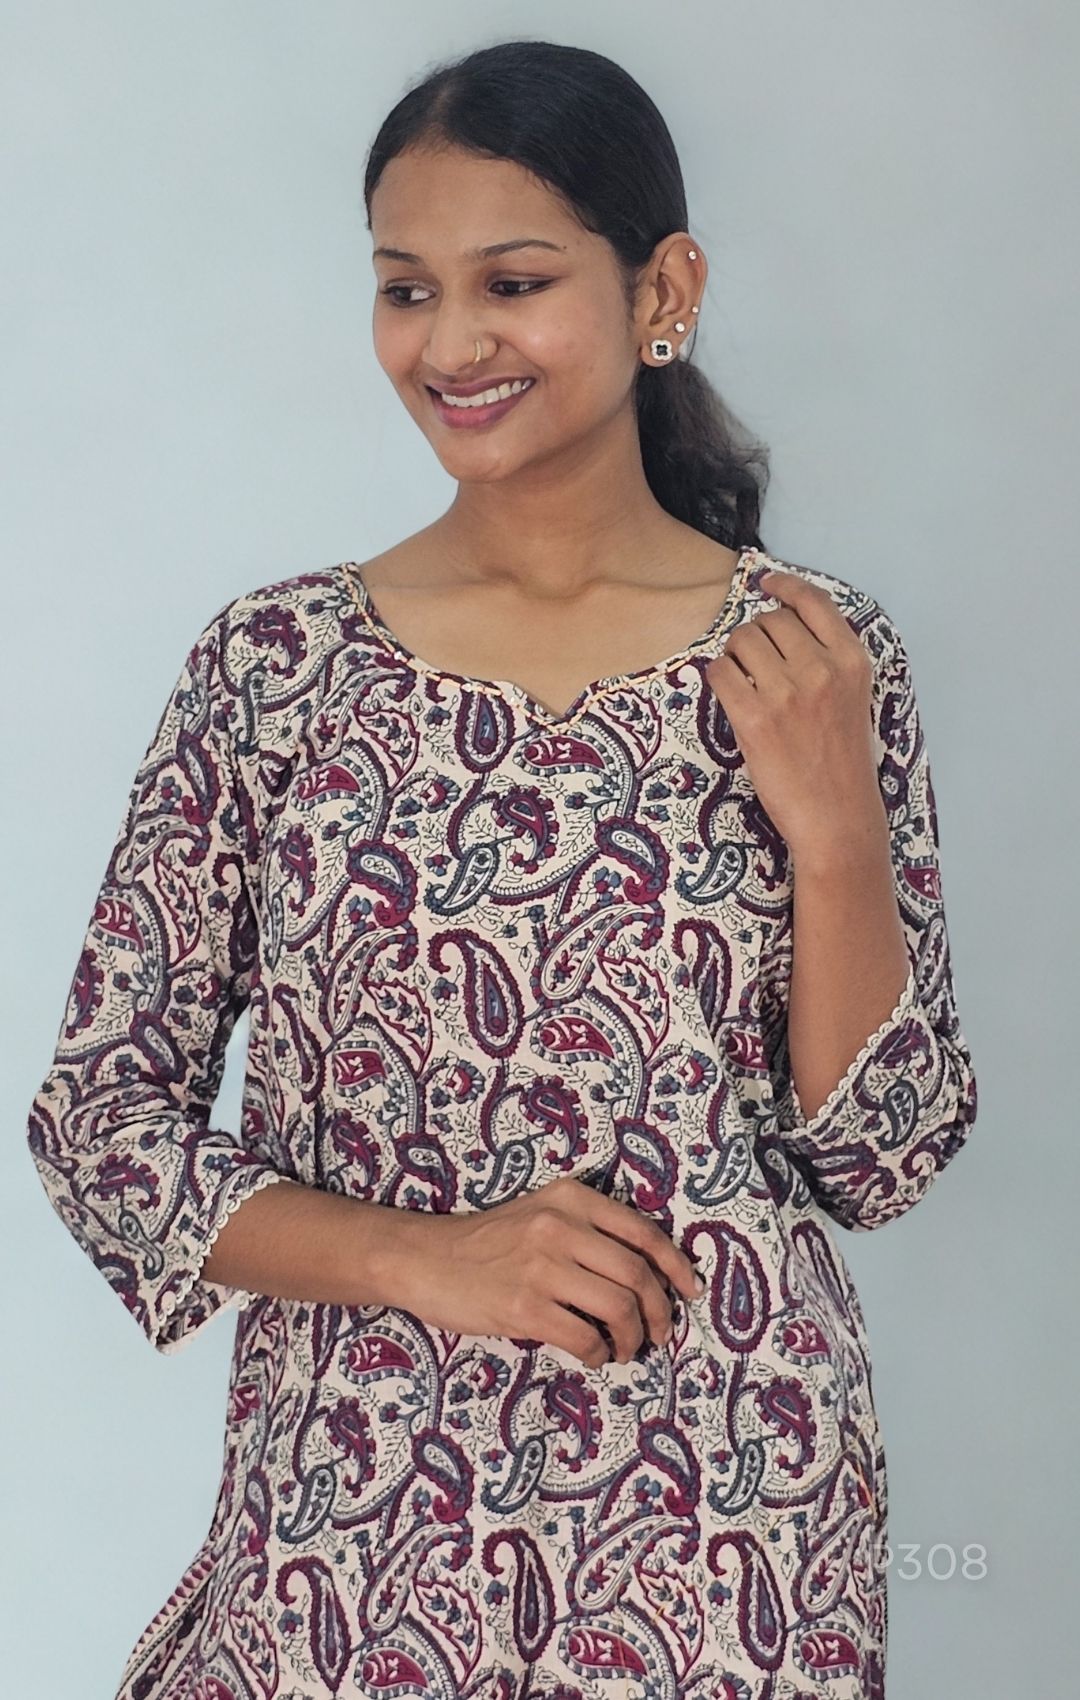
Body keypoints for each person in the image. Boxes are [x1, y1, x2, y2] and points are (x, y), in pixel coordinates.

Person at [26, 38, 978, 1700]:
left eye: (513, 282)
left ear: (660, 286)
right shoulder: (276, 668)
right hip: (353, 1522)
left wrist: (833, 836)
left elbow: (882, 1161)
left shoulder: (816, 660)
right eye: (405, 289)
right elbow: (100, 1125)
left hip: (730, 1525)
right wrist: (430, 1258)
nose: (450, 344)